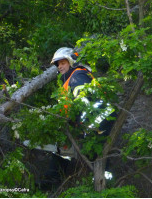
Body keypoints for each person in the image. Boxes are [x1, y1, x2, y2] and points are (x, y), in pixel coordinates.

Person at [37, 47, 116, 190]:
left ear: (71, 61)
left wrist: (77, 124)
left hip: (99, 121)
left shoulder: (77, 76)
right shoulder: (69, 80)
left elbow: (83, 102)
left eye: (62, 63)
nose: (60, 66)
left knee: (96, 154)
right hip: (92, 123)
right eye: (58, 64)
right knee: (64, 148)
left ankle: (106, 187)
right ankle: (52, 178)